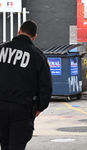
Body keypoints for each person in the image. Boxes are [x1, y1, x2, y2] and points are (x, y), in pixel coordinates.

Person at [0, 20, 52, 149]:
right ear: (34, 37)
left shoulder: (1, 49)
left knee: (4, 144)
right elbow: (46, 86)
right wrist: (40, 107)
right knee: (16, 145)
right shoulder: (37, 55)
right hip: (22, 109)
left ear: (19, 30)